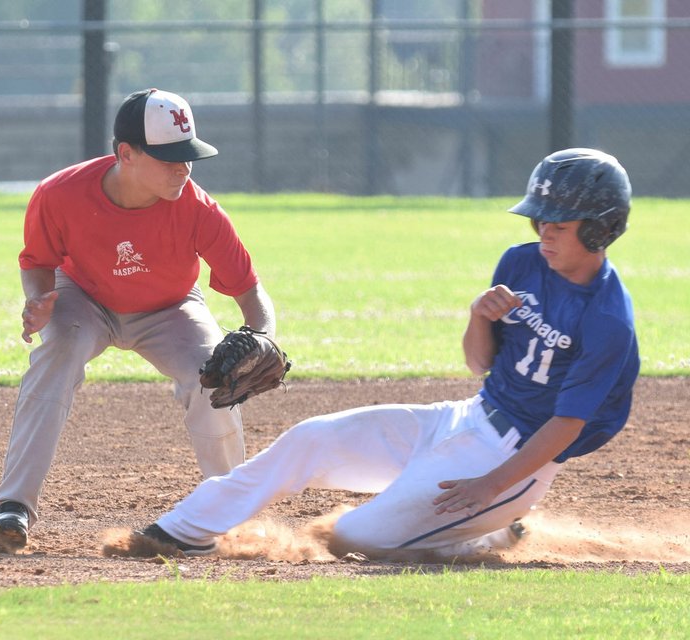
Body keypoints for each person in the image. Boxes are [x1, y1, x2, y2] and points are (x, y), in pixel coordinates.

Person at [130, 148, 639, 560]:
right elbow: (479, 364)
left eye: (560, 223)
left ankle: (484, 536)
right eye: (539, 220)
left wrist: (491, 487)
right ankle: (179, 532)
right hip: (464, 417)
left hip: (515, 461)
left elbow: (567, 425)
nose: (543, 231)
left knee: (355, 539)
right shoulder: (522, 263)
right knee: (309, 439)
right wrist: (478, 316)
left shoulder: (607, 319)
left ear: (598, 229)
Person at [0, 88, 277, 551]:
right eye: (169, 158)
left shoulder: (198, 209)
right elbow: (37, 260)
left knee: (212, 376)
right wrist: (39, 297)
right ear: (126, 154)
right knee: (56, 358)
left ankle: (230, 511)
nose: (183, 168)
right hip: (84, 298)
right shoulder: (60, 194)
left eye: (189, 156)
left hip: (171, 308)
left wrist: (261, 336)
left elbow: (250, 290)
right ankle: (13, 506)